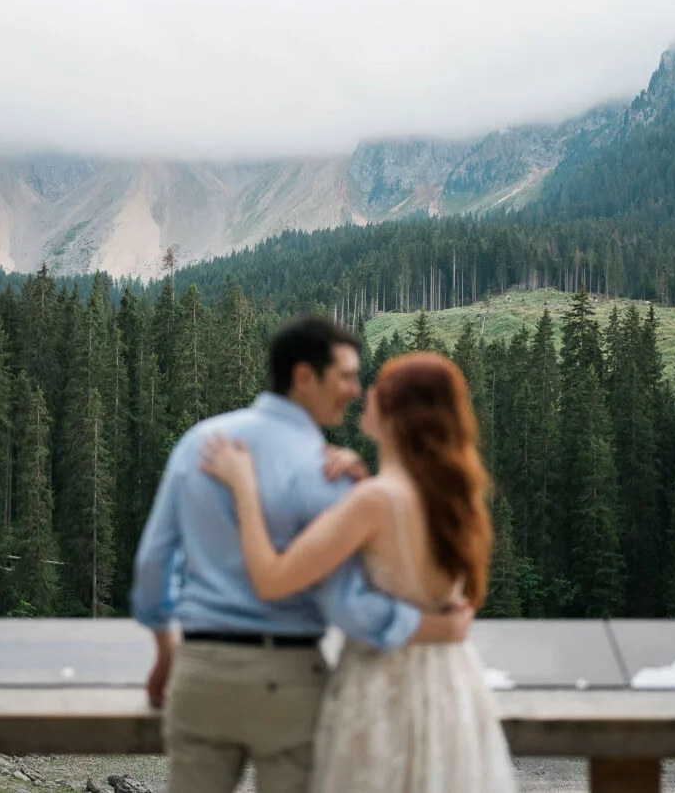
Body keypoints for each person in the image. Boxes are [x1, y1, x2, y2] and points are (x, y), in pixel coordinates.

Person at [130, 315, 474, 793]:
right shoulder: (325, 472)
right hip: (289, 682)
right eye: (347, 376)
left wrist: (166, 650)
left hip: (201, 673)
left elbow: (152, 560)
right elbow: (345, 604)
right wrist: (432, 626)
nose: (357, 390)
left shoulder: (200, 443)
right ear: (304, 376)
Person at [200, 350, 515, 793]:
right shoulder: (453, 498)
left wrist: (243, 486)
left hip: (383, 692)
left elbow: (271, 577)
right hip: (451, 688)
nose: (366, 393)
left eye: (380, 390)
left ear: (398, 415)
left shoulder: (374, 503)